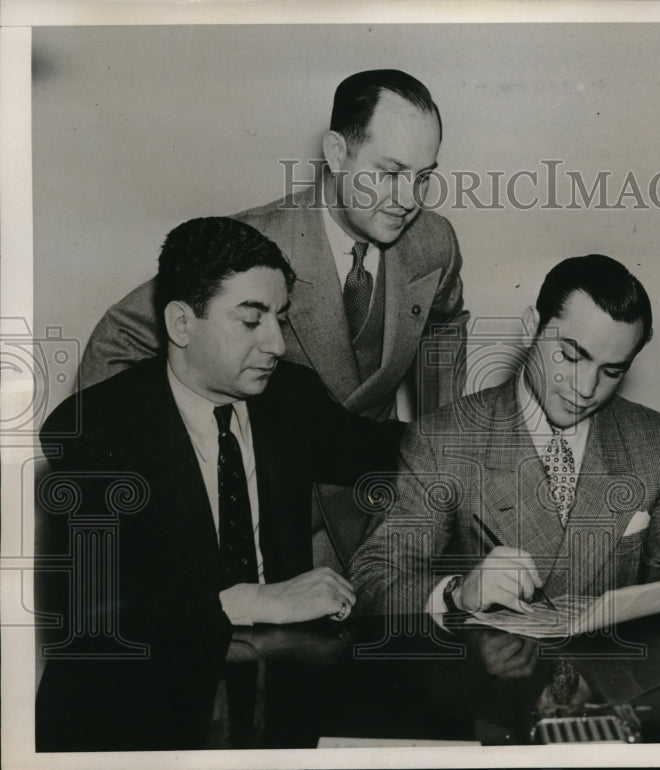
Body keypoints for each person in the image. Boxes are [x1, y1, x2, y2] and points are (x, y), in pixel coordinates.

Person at [36, 217, 404, 751]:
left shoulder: (290, 398)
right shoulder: (95, 431)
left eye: (280, 318)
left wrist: (513, 417)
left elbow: (394, 450)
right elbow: (92, 615)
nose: (277, 343)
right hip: (126, 718)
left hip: (268, 697)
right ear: (182, 324)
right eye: (251, 322)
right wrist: (255, 600)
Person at [77, 69, 469, 568]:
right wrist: (159, 481)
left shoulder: (435, 242)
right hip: (275, 528)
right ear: (336, 152)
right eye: (390, 173)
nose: (409, 199)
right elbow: (119, 338)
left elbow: (446, 324)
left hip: (384, 503)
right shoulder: (252, 245)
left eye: (424, 177)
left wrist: (440, 456)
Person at [350, 254, 660, 620]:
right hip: (489, 681)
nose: (586, 388)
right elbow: (372, 580)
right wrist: (457, 593)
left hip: (611, 682)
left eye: (612, 372)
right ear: (531, 326)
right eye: (571, 356)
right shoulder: (442, 441)